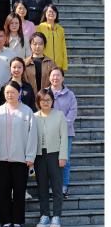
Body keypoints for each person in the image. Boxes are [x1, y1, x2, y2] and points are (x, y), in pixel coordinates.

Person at [0, 81, 37, 227]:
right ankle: (6, 221)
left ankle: (18, 221)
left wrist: (30, 156)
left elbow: (33, 135)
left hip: (21, 158)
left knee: (19, 190)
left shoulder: (27, 111)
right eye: (7, 92)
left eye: (13, 92)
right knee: (4, 190)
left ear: (19, 93)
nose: (10, 95)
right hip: (2, 158)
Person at [33, 89, 68, 227]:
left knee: (56, 187)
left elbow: (64, 137)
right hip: (39, 156)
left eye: (48, 100)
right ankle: (45, 215)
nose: (45, 102)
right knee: (42, 187)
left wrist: (63, 156)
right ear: (38, 102)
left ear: (52, 101)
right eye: (42, 100)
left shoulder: (59, 115)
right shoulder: (34, 117)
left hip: (55, 155)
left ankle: (56, 216)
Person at [47, 68, 77, 198]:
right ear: (49, 78)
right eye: (53, 75)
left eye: (58, 75)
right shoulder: (45, 93)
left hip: (67, 133)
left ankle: (64, 186)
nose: (55, 78)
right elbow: (41, 111)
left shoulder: (70, 94)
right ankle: (51, 187)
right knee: (50, 160)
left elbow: (73, 112)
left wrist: (62, 127)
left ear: (63, 78)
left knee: (65, 160)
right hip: (48, 133)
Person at [35, 5, 68, 71]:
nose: (52, 13)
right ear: (45, 13)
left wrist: (64, 65)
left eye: (54, 11)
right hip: (44, 64)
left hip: (58, 64)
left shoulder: (60, 29)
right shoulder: (40, 27)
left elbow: (63, 47)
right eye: (49, 11)